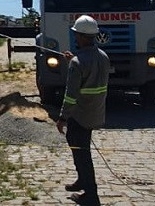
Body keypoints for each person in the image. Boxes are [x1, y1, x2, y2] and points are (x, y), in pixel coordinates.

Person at [56, 15, 110, 206]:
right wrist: (74, 60)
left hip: (80, 115)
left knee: (82, 154)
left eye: (77, 34)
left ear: (80, 36)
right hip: (95, 112)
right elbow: (92, 73)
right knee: (81, 149)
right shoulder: (103, 56)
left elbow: (70, 95)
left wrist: (62, 117)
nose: (75, 38)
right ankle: (82, 180)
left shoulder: (77, 63)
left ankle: (91, 195)